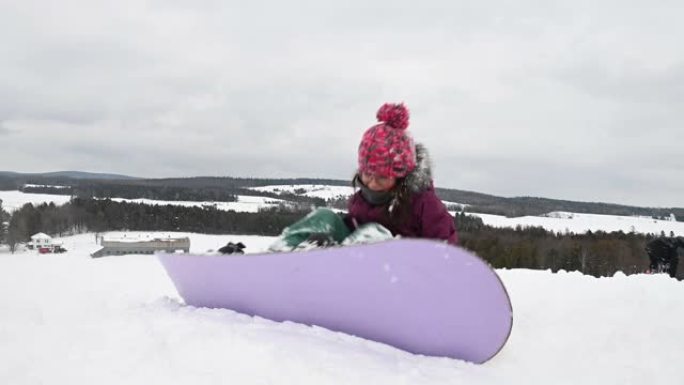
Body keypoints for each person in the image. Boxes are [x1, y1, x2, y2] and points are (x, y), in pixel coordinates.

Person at [268, 102, 458, 252]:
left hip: (400, 272)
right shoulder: (362, 199)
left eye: (382, 178)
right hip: (353, 258)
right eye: (368, 174)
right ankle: (280, 255)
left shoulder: (424, 203)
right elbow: (353, 226)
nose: (372, 184)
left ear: (401, 177)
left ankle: (343, 265)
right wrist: (326, 235)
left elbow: (444, 244)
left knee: (373, 233)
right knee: (324, 217)